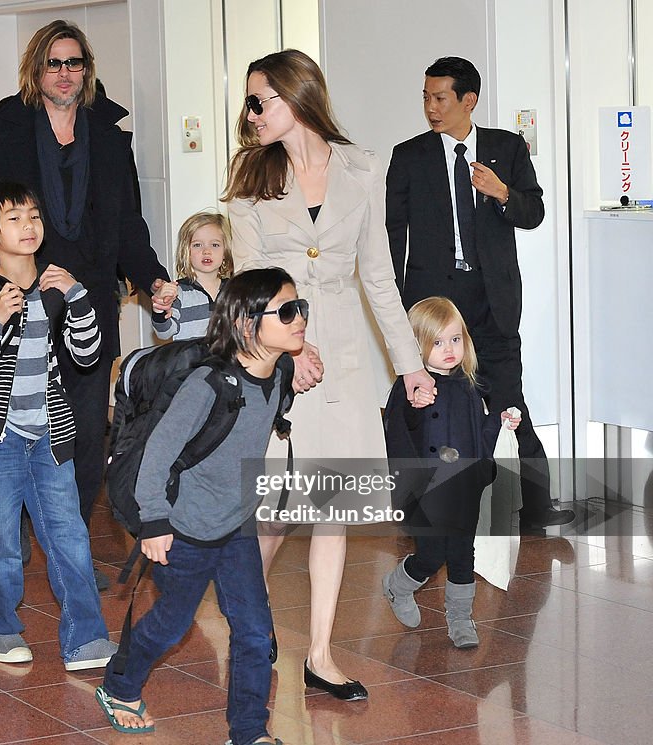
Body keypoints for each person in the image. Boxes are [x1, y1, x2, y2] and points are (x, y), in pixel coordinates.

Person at [0, 21, 178, 590]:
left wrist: (152, 278)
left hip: (87, 308)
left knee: (84, 434)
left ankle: (69, 548)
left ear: (87, 70)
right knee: (14, 429)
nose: (65, 73)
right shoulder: (3, 132)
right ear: (37, 72)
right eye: (54, 63)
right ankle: (19, 534)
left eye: (75, 62)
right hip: (17, 305)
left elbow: (129, 224)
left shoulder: (109, 139)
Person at [223, 49, 435, 700]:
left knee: (333, 509)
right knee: (276, 512)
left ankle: (319, 652)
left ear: (296, 98)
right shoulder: (250, 179)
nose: (251, 113)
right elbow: (249, 285)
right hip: (277, 359)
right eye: (250, 103)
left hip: (342, 358)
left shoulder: (362, 169)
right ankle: (249, 632)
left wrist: (410, 366)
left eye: (261, 100)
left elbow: (378, 276)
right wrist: (291, 348)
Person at [95, 268, 303, 744]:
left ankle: (249, 732)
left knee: (254, 632)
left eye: (301, 308)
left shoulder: (279, 373)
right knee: (172, 625)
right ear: (248, 325)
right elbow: (158, 453)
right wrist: (153, 523)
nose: (300, 319)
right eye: (288, 312)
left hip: (236, 526)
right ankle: (119, 685)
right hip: (184, 528)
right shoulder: (207, 385)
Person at [385, 56, 574, 532]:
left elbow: (534, 212)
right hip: (433, 304)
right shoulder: (408, 156)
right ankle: (416, 508)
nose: (430, 107)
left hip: (492, 297)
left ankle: (536, 506)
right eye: (426, 97)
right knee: (426, 405)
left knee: (509, 396)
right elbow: (392, 233)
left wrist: (502, 191)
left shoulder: (506, 148)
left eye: (440, 97)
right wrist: (397, 303)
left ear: (468, 100)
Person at [0, 181, 116, 671]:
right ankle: (1, 627)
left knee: (69, 535)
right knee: (2, 541)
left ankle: (85, 638)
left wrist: (78, 297)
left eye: (33, 216)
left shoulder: (55, 287)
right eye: (14, 219)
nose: (28, 226)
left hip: (49, 434)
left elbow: (87, 356)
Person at [382, 297, 521, 648]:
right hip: (424, 492)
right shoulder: (410, 388)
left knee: (461, 553)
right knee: (431, 555)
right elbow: (401, 430)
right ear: (416, 347)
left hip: (462, 490)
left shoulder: (470, 387)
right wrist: (415, 406)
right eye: (437, 342)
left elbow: (479, 434)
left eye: (455, 340)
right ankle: (399, 585)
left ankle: (460, 618)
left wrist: (501, 424)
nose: (448, 349)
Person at [152, 211, 233, 341]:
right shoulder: (178, 292)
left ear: (225, 252)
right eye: (197, 245)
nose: (206, 251)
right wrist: (160, 310)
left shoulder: (234, 290)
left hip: (226, 360)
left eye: (215, 245)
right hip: (192, 360)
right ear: (186, 252)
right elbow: (164, 333)